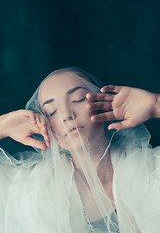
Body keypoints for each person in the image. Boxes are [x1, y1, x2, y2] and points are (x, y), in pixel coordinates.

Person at [0, 67, 160, 233]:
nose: (67, 115)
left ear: (102, 103)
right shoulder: (31, 191)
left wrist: (156, 104)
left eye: (78, 99)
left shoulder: (152, 171)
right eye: (51, 111)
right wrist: (3, 125)